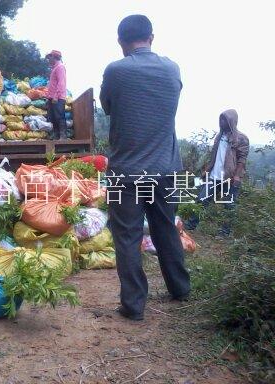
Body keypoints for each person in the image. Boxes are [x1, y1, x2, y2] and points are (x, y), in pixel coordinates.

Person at [100, 15, 190, 321]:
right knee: (166, 228)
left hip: (127, 171)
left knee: (127, 236)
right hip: (165, 169)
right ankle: (180, 289)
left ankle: (134, 306)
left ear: (121, 41)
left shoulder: (116, 70)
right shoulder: (172, 69)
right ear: (151, 36)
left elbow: (109, 107)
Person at [186, 109, 249, 233]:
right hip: (214, 176)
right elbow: (214, 156)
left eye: (224, 119)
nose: (221, 122)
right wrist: (207, 170)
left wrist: (236, 176)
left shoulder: (241, 138)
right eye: (220, 119)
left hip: (229, 178)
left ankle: (225, 232)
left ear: (232, 121)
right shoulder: (219, 136)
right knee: (201, 200)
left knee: (229, 206)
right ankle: (191, 224)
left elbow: (242, 159)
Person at [46, 50, 67, 140]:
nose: (48, 60)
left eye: (49, 58)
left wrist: (56, 96)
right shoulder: (54, 68)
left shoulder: (60, 67)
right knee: (53, 117)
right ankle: (56, 135)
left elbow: (61, 83)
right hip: (52, 97)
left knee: (59, 116)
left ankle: (63, 135)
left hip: (58, 98)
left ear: (54, 57)